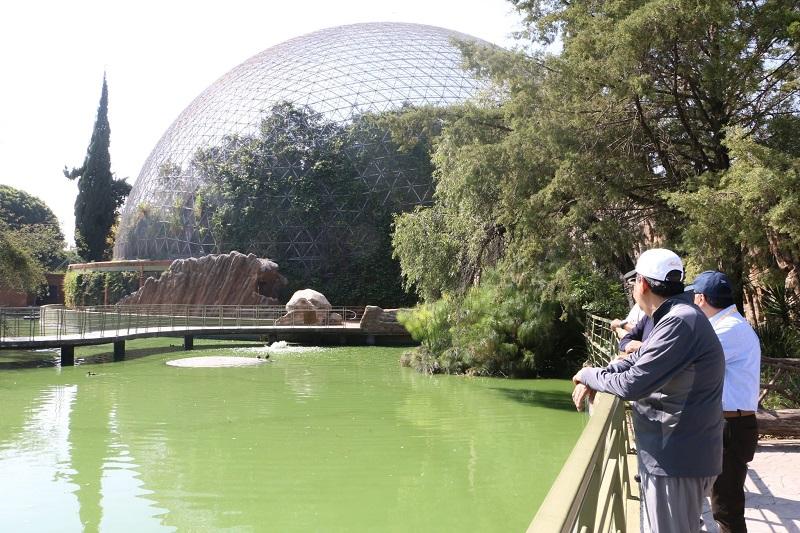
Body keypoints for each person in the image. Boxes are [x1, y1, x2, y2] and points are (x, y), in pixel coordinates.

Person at [572, 248, 725, 533]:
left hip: (677, 457)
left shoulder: (679, 321)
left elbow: (633, 384)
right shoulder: (672, 316)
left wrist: (588, 374)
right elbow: (637, 361)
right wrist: (595, 375)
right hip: (678, 453)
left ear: (642, 284)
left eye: (633, 283)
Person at [688, 271, 761, 533]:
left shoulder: (729, 330)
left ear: (700, 299)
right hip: (726, 424)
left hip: (731, 427)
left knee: (726, 507)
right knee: (719, 501)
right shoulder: (725, 326)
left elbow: (686, 359)